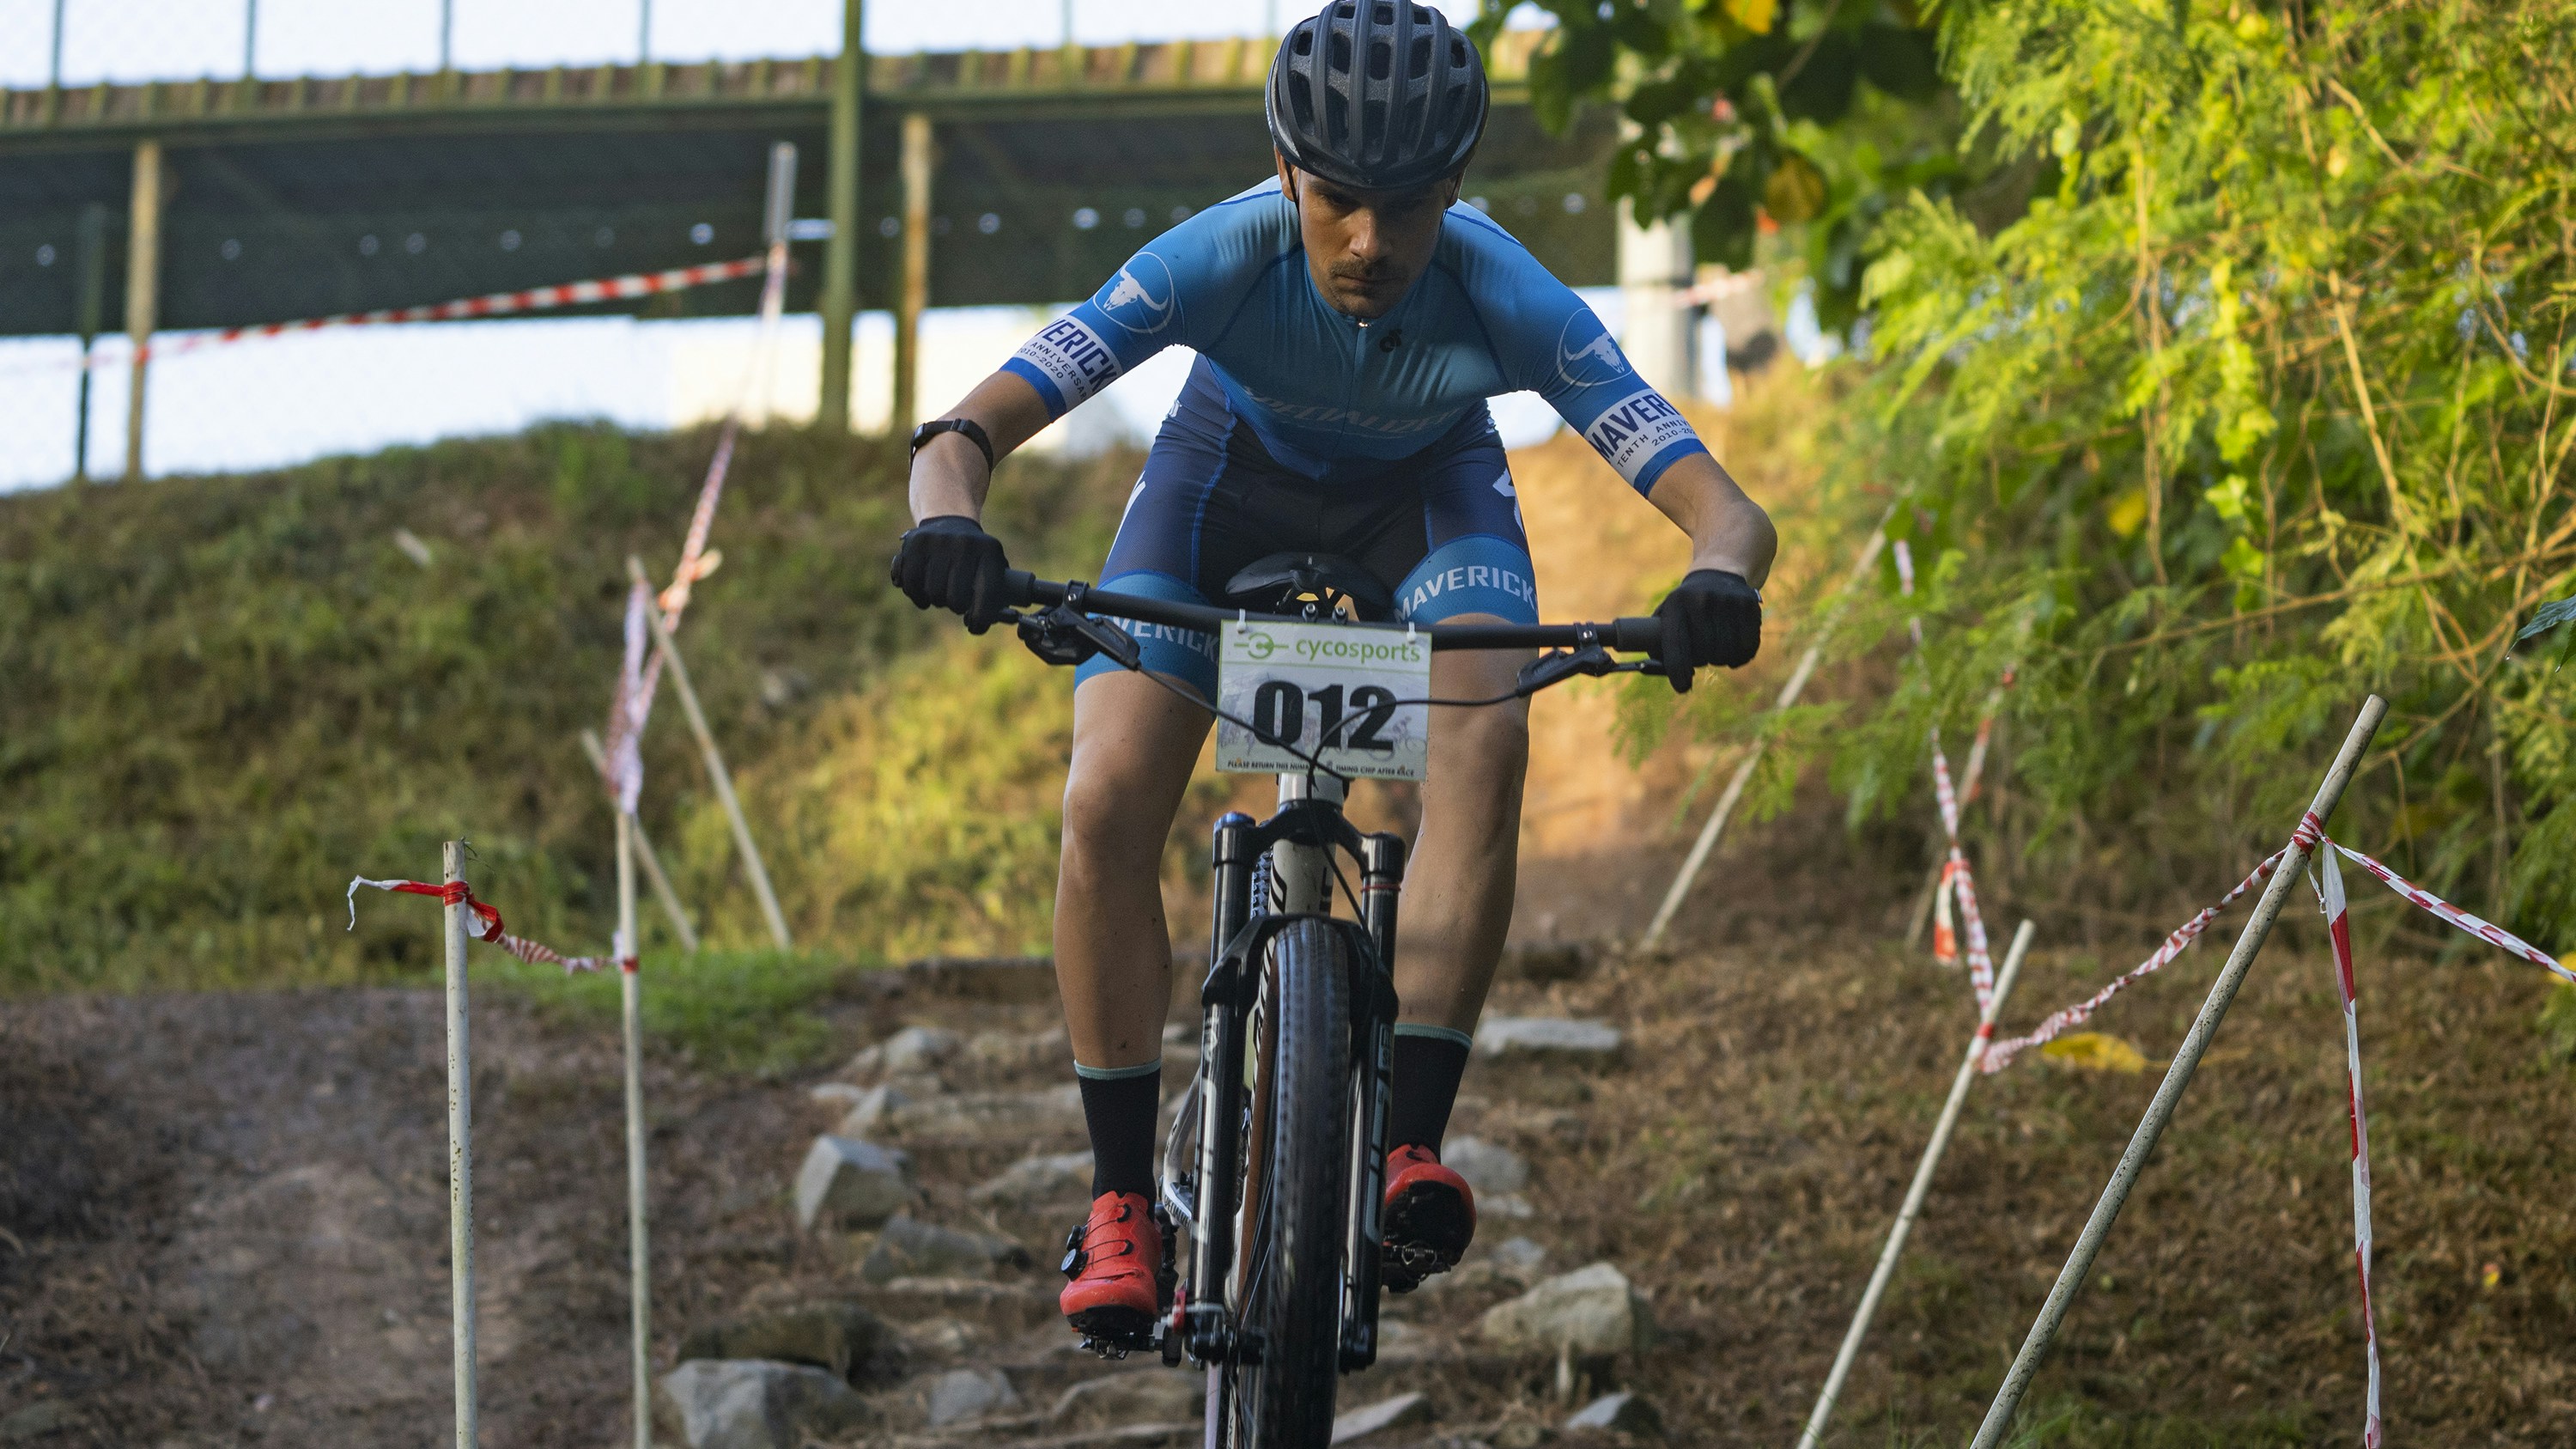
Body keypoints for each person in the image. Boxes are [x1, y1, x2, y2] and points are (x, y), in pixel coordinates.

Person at [889, 0, 1776, 1350]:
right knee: (1107, 798)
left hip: (1429, 504)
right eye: (1337, 201)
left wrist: (1717, 579)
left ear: (1455, 190)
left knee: (1485, 739)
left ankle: (1408, 1140)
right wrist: (948, 519)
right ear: (1286, 172)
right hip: (1221, 488)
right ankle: (1120, 1202)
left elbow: (1728, 512)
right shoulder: (1216, 255)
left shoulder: (1508, 291)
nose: (1368, 243)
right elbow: (965, 430)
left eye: (1406, 207)